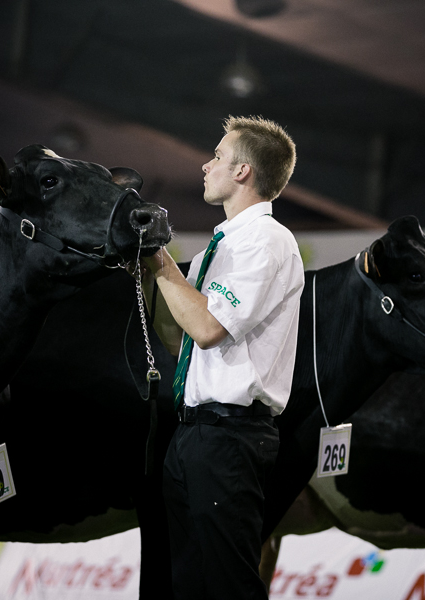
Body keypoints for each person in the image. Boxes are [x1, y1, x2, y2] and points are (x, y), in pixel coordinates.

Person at [139, 115, 304, 599]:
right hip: (194, 435)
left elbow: (209, 328)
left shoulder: (266, 241)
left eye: (218, 156)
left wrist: (164, 262)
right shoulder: (228, 242)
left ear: (242, 172)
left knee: (228, 587)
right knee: (188, 585)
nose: (206, 164)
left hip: (230, 438)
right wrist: (154, 265)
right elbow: (184, 337)